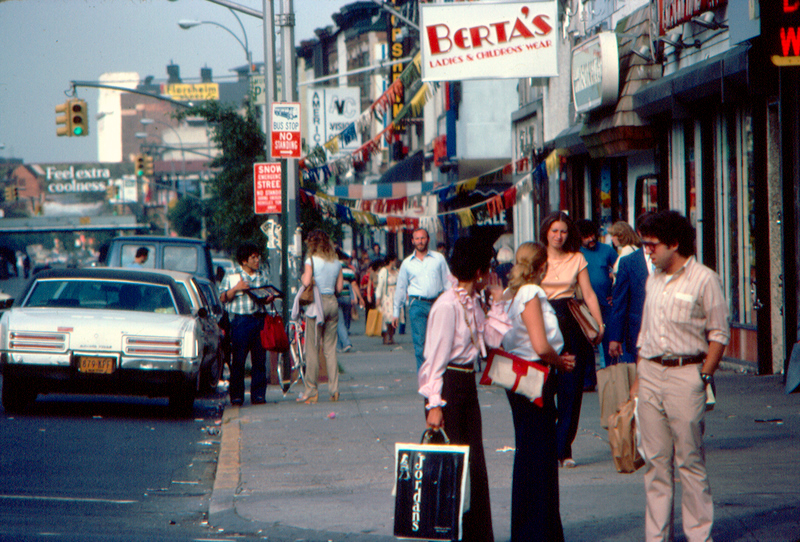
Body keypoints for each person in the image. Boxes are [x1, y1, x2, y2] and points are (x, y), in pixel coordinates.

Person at [633, 210, 729, 542]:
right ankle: (656, 537)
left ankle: (699, 535)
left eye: (652, 244)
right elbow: (645, 332)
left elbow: (719, 334)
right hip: (650, 372)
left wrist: (703, 377)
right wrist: (637, 380)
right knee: (655, 463)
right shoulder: (653, 279)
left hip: (686, 373)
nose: (648, 250)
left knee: (689, 460)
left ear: (674, 244)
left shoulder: (704, 279)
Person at [418, 237, 503, 542]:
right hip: (449, 387)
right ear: (480, 271)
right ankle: (445, 533)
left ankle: (477, 535)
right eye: (489, 269)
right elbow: (434, 361)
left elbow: (490, 342)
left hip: (467, 383)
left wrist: (498, 303)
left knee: (474, 466)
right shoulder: (446, 306)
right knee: (449, 469)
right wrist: (434, 404)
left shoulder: (474, 302)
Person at [501, 242, 576, 542]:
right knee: (541, 456)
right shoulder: (531, 293)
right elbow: (540, 344)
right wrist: (561, 361)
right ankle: (539, 531)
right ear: (542, 266)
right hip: (535, 375)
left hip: (517, 378)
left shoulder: (510, 295)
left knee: (528, 454)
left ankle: (528, 527)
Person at [539, 212, 604, 468]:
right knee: (544, 385)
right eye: (554, 230)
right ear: (546, 231)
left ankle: (563, 448)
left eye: (563, 231)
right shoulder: (537, 256)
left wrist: (599, 325)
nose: (558, 236)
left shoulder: (576, 258)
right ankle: (549, 440)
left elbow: (588, 293)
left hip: (570, 319)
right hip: (542, 317)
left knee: (571, 386)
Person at [218, 242, 272, 406]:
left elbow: (267, 292)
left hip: (259, 318)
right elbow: (222, 297)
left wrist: (269, 298)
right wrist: (236, 288)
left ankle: (258, 395)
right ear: (244, 261)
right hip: (241, 321)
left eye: (258, 257)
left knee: (259, 360)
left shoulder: (262, 274)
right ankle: (237, 396)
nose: (257, 260)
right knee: (239, 360)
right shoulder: (233, 274)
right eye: (253, 257)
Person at [392, 228, 451, 371]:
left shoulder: (438, 259)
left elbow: (448, 282)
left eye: (423, 238)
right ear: (412, 241)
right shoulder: (407, 263)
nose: (420, 241)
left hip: (437, 304)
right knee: (420, 346)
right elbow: (401, 288)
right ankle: (426, 384)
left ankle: (438, 380)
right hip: (417, 305)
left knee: (440, 344)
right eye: (417, 239)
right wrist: (396, 312)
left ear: (428, 239)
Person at [299, 230, 344, 404]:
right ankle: (334, 391)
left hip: (316, 305)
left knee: (312, 349)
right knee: (330, 350)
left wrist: (304, 275)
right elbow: (339, 288)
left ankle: (311, 391)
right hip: (332, 303)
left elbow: (306, 282)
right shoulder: (336, 262)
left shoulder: (310, 261)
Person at [608, 213, 654, 364]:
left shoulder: (670, 260)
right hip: (637, 331)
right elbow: (620, 301)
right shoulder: (629, 262)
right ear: (639, 233)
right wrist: (615, 337)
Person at [577, 219, 617, 385]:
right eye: (586, 237)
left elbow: (620, 272)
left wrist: (615, 293)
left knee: (608, 341)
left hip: (605, 305)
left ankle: (611, 376)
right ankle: (587, 380)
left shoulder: (607, 250)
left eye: (592, 235)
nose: (590, 239)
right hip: (583, 306)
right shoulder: (576, 254)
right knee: (585, 346)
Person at [336, 251, 364, 353]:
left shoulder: (334, 268)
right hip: (347, 298)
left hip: (337, 297)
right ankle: (340, 345)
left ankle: (346, 343)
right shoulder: (349, 270)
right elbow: (354, 285)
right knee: (345, 320)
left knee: (339, 322)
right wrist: (360, 298)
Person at [375, 253, 401, 344]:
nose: (396, 262)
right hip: (386, 297)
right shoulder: (383, 271)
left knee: (394, 317)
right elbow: (380, 285)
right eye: (395, 260)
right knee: (386, 318)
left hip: (395, 296)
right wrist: (378, 298)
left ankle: (391, 336)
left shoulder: (396, 272)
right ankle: (386, 336)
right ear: (391, 261)